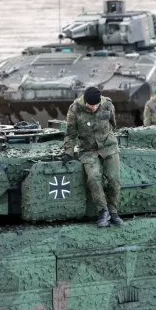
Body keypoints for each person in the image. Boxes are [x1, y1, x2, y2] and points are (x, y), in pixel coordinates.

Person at [62, 87, 123, 227]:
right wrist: (68, 152)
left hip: (109, 147)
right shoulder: (75, 109)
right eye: (91, 105)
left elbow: (113, 124)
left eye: (96, 105)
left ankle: (113, 212)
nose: (94, 107)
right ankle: (103, 211)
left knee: (114, 180)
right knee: (94, 178)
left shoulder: (107, 104)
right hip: (88, 149)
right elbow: (70, 134)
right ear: (85, 101)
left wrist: (109, 138)